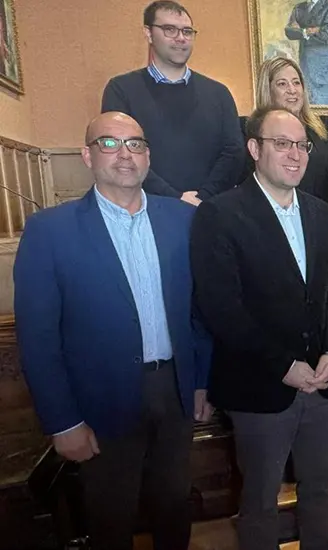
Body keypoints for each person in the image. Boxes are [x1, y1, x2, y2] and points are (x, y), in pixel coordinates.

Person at [14, 112, 212, 550]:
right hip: (101, 401)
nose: (124, 154)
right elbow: (39, 338)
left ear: (148, 156)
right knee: (110, 517)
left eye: (136, 144)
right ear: (87, 155)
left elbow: (198, 312)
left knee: (174, 506)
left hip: (174, 391)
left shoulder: (182, 220)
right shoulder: (50, 231)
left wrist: (199, 383)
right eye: (109, 143)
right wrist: (62, 422)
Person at [190, 107, 328, 550]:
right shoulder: (220, 214)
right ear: (254, 148)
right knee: (260, 501)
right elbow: (221, 308)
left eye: (301, 145)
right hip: (260, 388)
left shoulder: (319, 214)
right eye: (282, 143)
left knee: (321, 489)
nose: (295, 154)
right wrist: (284, 365)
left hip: (323, 382)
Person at [101, 1, 244, 205]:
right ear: (148, 33)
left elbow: (233, 153)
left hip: (211, 211)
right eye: (170, 30)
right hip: (146, 209)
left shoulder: (219, 93)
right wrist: (174, 199)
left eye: (187, 31)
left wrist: (203, 196)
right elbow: (122, 154)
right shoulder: (121, 90)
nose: (180, 38)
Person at [243, 56, 328, 203]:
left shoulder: (324, 125)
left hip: (322, 214)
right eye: (282, 84)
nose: (292, 90)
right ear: (268, 91)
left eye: (296, 83)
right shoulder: (253, 131)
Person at [284, 0, 328, 105]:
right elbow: (289, 32)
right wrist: (309, 31)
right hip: (304, 69)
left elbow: (327, 35)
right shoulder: (299, 8)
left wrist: (301, 31)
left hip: (324, 72)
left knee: (326, 114)